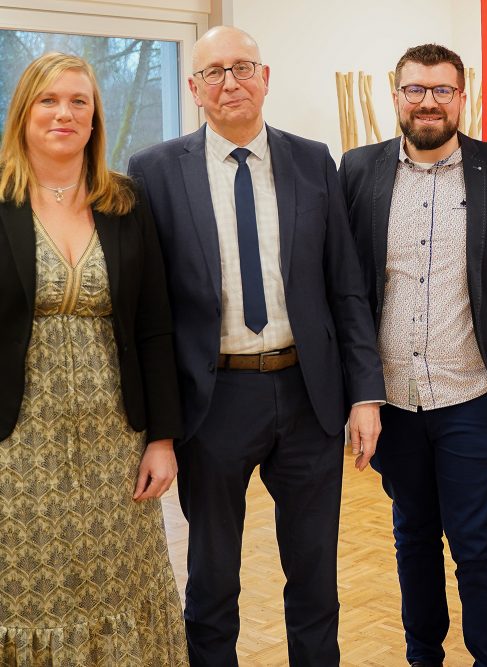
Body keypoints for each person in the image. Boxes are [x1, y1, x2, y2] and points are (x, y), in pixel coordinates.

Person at [127, 26, 385, 666]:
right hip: (212, 399)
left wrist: (366, 395)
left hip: (308, 395)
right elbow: (149, 311)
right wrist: (158, 423)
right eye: (214, 72)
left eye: (243, 67)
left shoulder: (311, 160)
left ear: (265, 77)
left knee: (315, 577)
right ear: (194, 89)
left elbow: (345, 287)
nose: (230, 82)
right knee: (212, 580)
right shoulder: (155, 171)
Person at [339, 43, 487, 667]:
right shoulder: (358, 170)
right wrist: (359, 391)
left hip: (473, 396)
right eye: (416, 89)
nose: (428, 101)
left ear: (462, 95)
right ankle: (422, 655)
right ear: (395, 95)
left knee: (478, 542)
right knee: (412, 538)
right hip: (392, 401)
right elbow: (346, 288)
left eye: (442, 90)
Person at [0, 52, 186, 665]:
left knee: (119, 581)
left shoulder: (124, 202)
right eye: (49, 101)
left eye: (79, 102)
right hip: (16, 440)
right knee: (25, 588)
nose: (65, 113)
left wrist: (161, 437)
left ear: (95, 118)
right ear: (23, 112)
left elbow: (156, 327)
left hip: (115, 438)